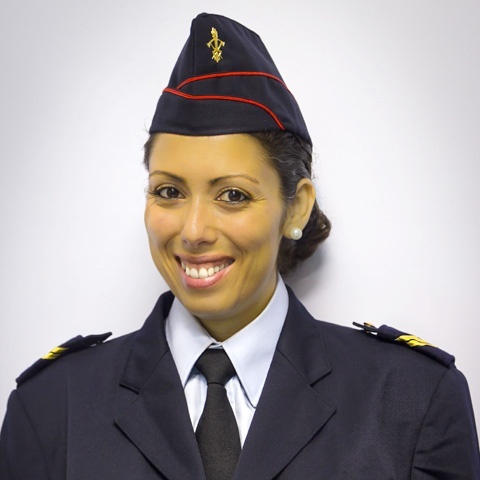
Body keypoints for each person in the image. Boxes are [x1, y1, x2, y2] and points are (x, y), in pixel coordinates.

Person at [1, 12, 479, 480]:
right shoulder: (51, 406)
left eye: (232, 195)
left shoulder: (414, 401)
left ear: (296, 208)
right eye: (169, 191)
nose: (193, 230)